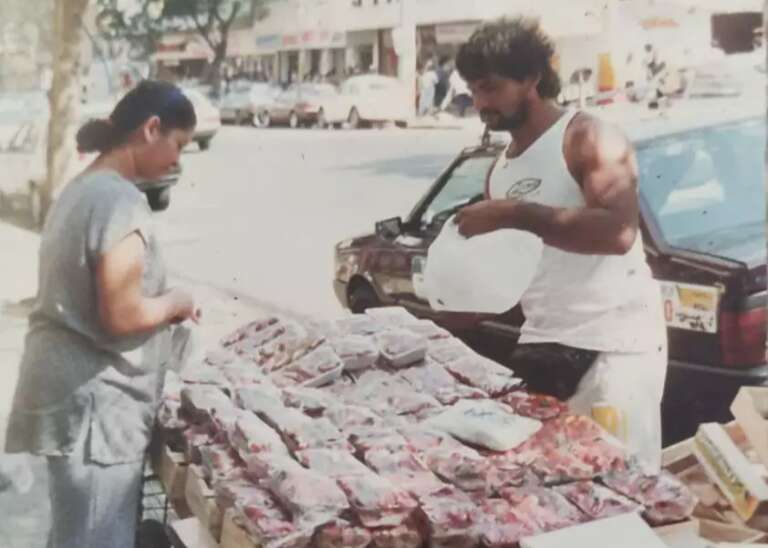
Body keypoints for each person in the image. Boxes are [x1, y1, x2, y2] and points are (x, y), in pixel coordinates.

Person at [452, 18, 667, 471]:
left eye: (490, 88)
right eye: (473, 90)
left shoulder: (585, 136)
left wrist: (515, 213)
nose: (480, 103)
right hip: (545, 341)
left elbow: (619, 232)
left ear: (530, 78)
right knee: (550, 492)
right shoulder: (500, 170)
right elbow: (524, 267)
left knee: (625, 485)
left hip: (615, 344)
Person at [5, 80, 201, 547]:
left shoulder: (85, 185)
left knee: (76, 535)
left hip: (77, 400)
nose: (178, 161)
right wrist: (176, 302)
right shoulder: (118, 200)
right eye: (178, 145)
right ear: (152, 129)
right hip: (96, 411)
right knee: (95, 538)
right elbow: (122, 314)